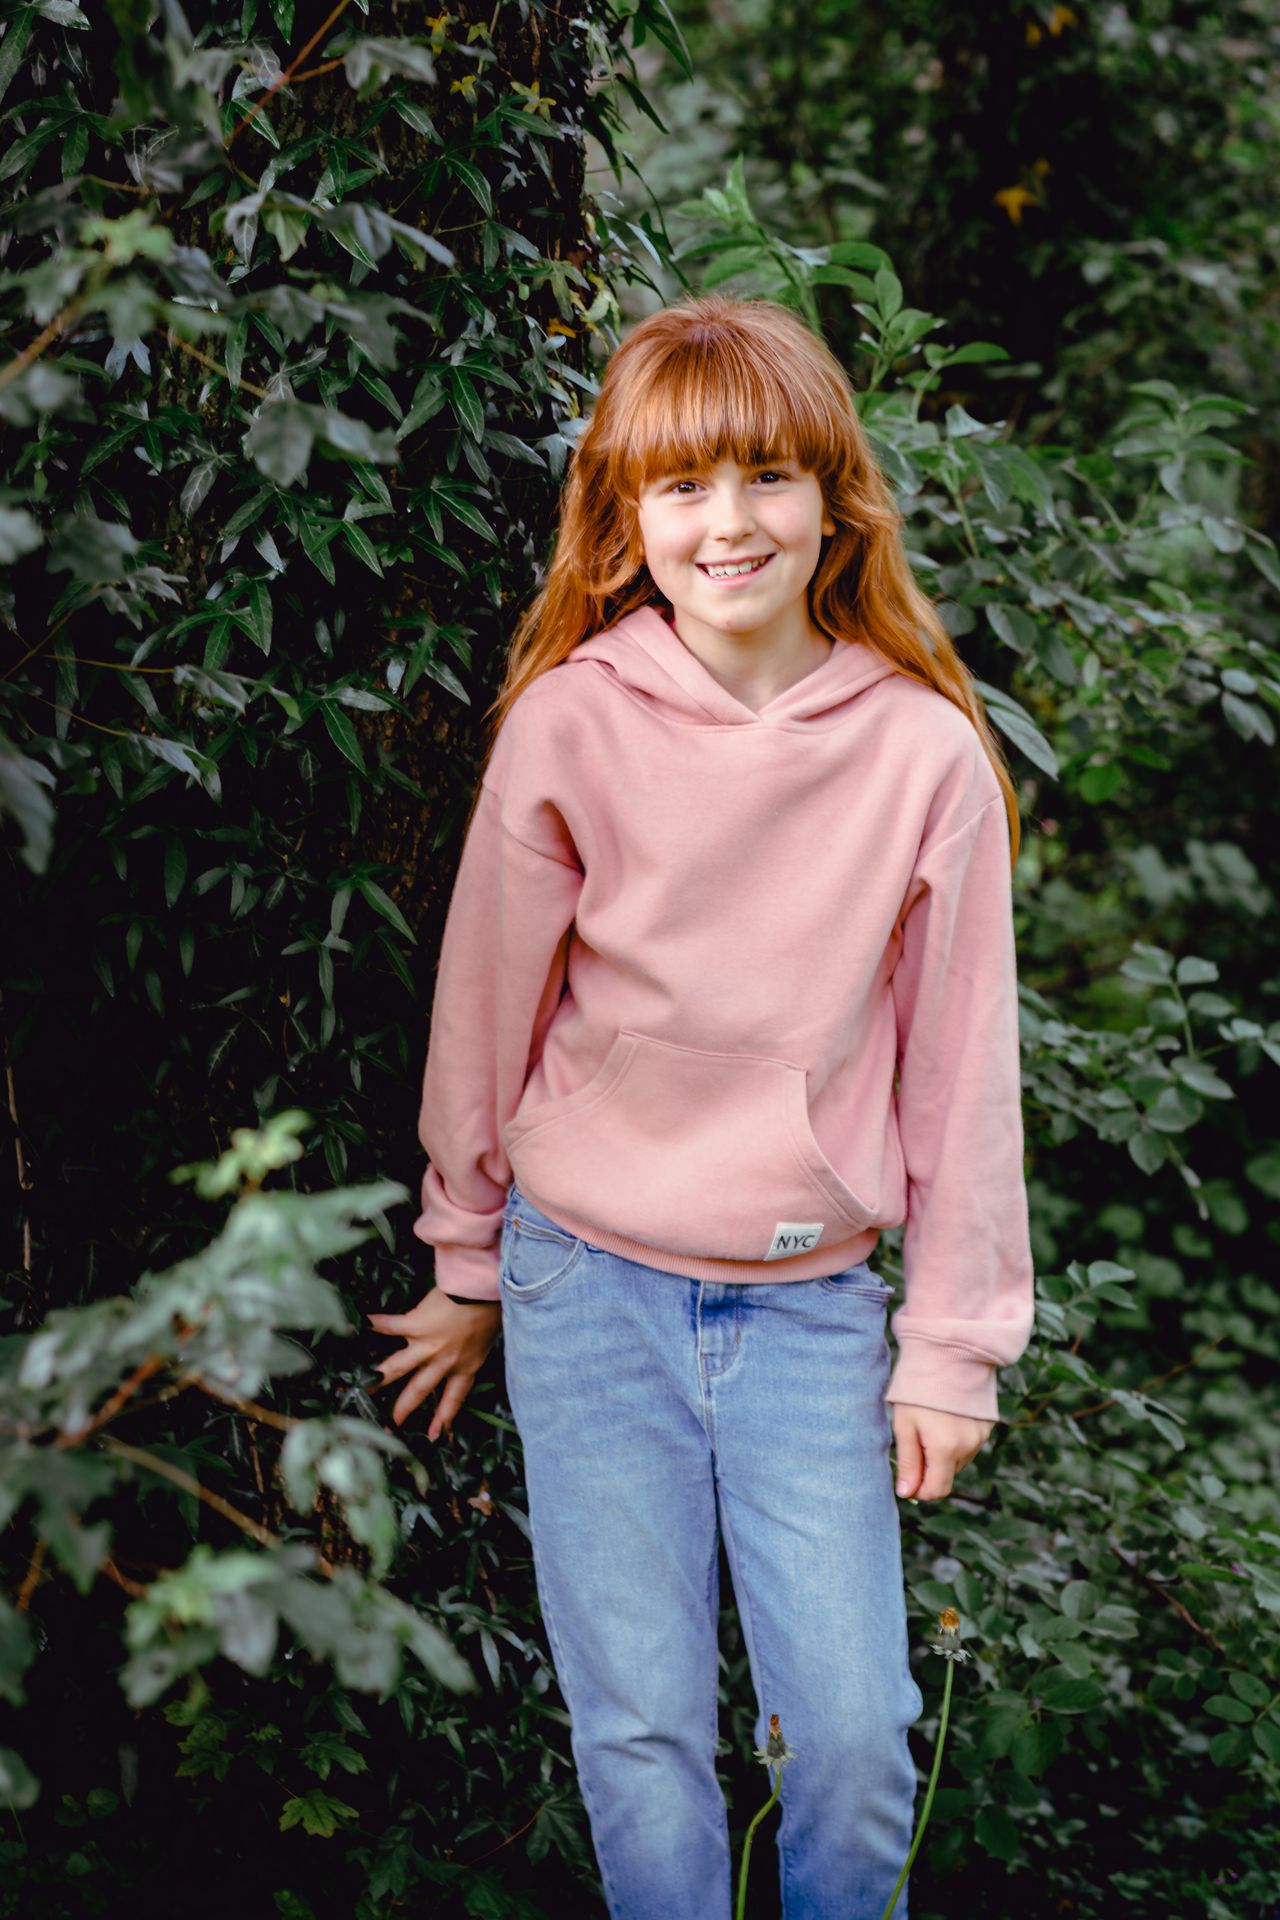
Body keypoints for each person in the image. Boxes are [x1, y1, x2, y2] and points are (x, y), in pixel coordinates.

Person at [368, 291, 1035, 1920]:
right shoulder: (570, 723)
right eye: (680, 487)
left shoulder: (921, 755)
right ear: (626, 515)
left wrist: (949, 1349)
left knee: (863, 1740)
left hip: (810, 1305)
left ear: (832, 501)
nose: (727, 524)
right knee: (644, 1730)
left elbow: (962, 1082)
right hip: (586, 1284)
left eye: (763, 477)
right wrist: (469, 1265)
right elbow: (487, 1018)